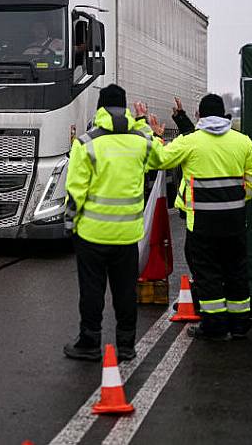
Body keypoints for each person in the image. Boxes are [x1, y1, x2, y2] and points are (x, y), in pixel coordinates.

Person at [148, 94, 252, 341]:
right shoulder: (242, 141)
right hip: (234, 221)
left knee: (208, 273)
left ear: (200, 115)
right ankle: (240, 323)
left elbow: (159, 159)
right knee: (236, 271)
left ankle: (215, 327)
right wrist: (239, 198)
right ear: (224, 115)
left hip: (201, 222)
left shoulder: (191, 141)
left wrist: (157, 136)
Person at [63, 84, 164, 362]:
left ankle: (90, 343)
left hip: (92, 234)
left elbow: (75, 193)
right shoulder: (140, 143)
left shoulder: (85, 143)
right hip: (127, 235)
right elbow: (159, 159)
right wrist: (146, 128)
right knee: (125, 292)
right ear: (126, 108)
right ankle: (127, 345)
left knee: (92, 291)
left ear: (100, 109)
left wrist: (69, 225)